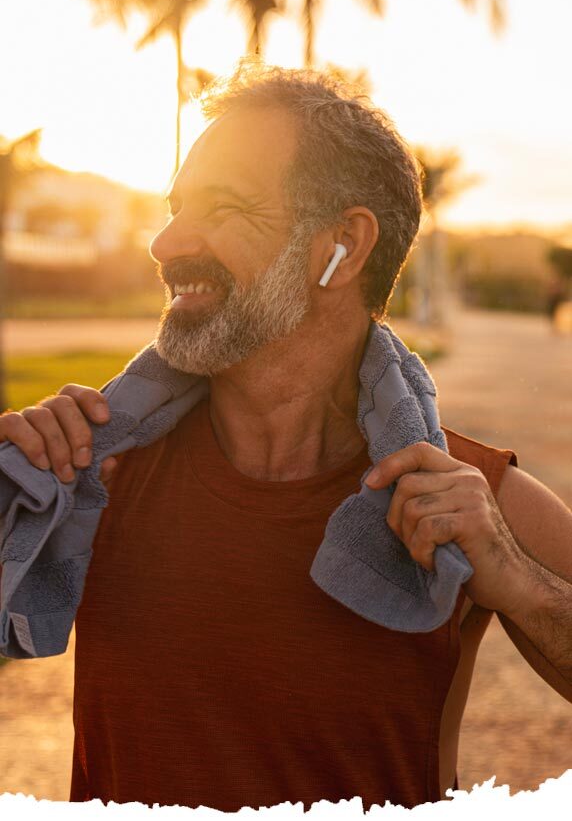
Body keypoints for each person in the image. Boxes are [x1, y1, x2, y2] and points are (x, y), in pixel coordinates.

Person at [1, 64, 571, 811]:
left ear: (343, 244)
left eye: (224, 206)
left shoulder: (469, 499)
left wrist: (518, 582)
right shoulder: (91, 470)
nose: (166, 243)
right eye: (173, 210)